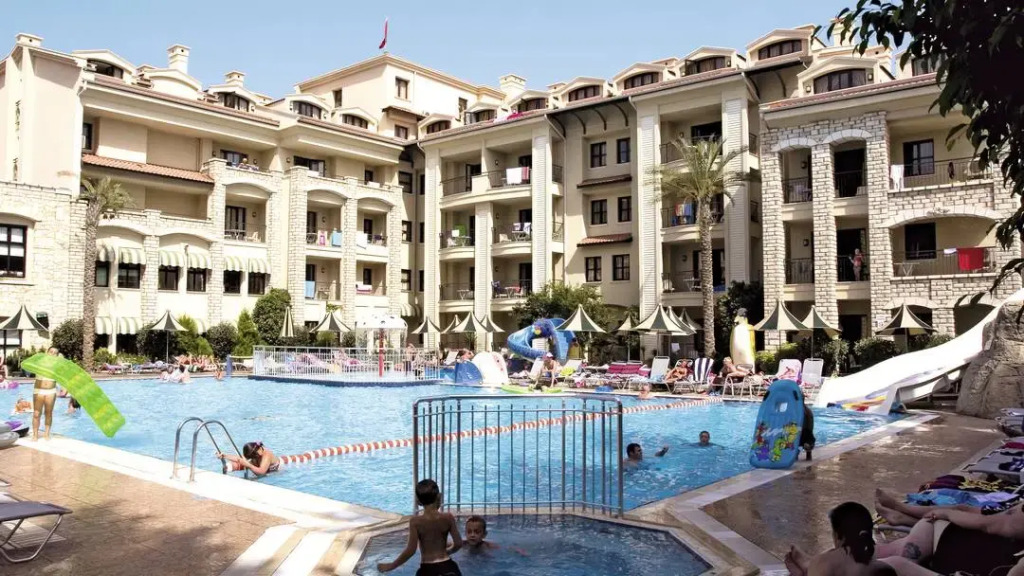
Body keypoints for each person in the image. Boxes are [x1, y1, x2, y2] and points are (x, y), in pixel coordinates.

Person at [868, 500, 1024, 576]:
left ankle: (902, 515)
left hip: (960, 549)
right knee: (951, 513)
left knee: (896, 562)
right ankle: (903, 514)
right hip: (973, 545)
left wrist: (946, 514)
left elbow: (990, 524)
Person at [785, 502, 897, 576]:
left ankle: (806, 568)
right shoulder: (883, 568)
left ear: (838, 536)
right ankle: (806, 566)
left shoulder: (823, 563)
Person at [378, 479, 462, 575]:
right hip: (450, 568)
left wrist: (391, 566)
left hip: (428, 570)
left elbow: (411, 550)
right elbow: (458, 544)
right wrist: (448, 551)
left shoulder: (415, 522)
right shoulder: (448, 517)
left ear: (418, 501)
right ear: (439, 496)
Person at [31, 348, 60, 441]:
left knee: (48, 413)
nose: (53, 354)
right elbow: (32, 365)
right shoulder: (40, 362)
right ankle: (35, 435)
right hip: (39, 390)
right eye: (51, 352)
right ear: (47, 353)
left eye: (55, 353)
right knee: (36, 414)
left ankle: (46, 434)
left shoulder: (58, 366)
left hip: (51, 391)